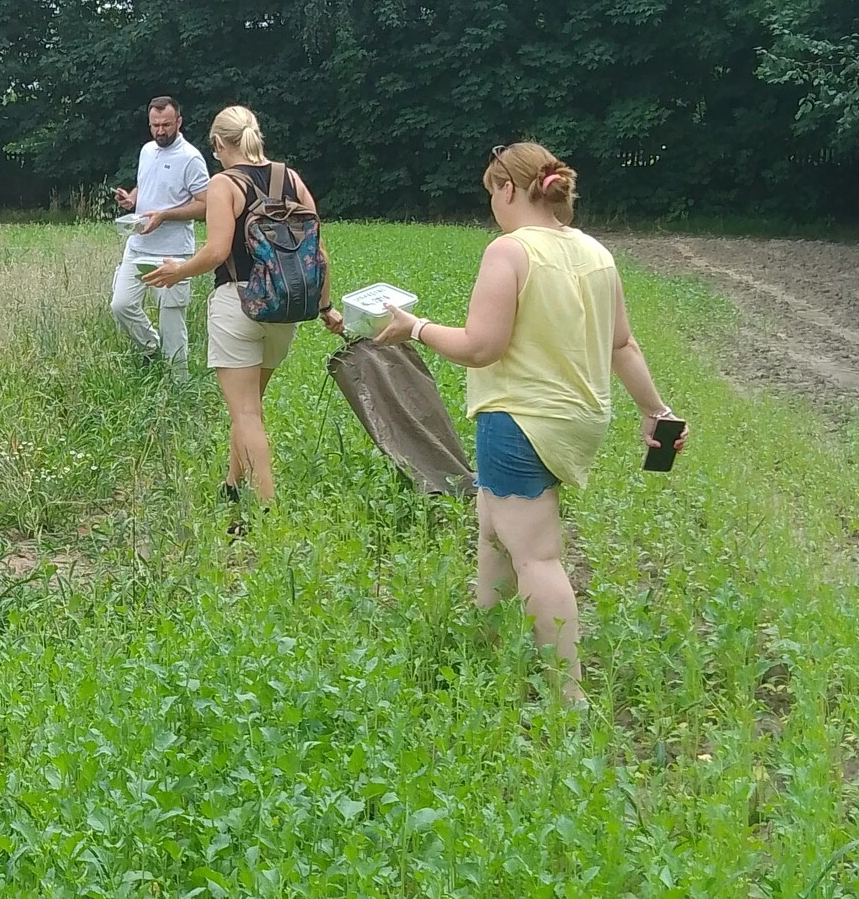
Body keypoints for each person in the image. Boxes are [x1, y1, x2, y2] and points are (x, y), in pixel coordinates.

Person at [371, 141, 682, 702]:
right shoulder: (595, 252)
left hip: (520, 421)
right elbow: (624, 343)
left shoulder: (509, 252)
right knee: (494, 528)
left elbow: (480, 347)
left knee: (537, 556)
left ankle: (570, 698)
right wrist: (654, 410)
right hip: (579, 418)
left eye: (492, 191)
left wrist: (414, 327)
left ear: (507, 189)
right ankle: (482, 644)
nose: (492, 203)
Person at [144, 105, 338, 508]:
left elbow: (216, 252)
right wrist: (325, 308)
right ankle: (231, 485)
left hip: (238, 305)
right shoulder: (292, 179)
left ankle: (267, 508)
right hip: (286, 308)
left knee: (246, 414)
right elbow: (318, 251)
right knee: (249, 407)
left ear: (217, 144)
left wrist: (177, 272)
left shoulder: (224, 184)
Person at [112, 98, 209, 371]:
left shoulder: (191, 158)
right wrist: (131, 199)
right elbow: (146, 185)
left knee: (172, 319)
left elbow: (205, 205)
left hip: (173, 251)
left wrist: (165, 215)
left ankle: (179, 383)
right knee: (121, 305)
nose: (160, 131)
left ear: (179, 122)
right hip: (139, 245)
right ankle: (151, 348)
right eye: (155, 125)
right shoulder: (147, 151)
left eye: (166, 125)